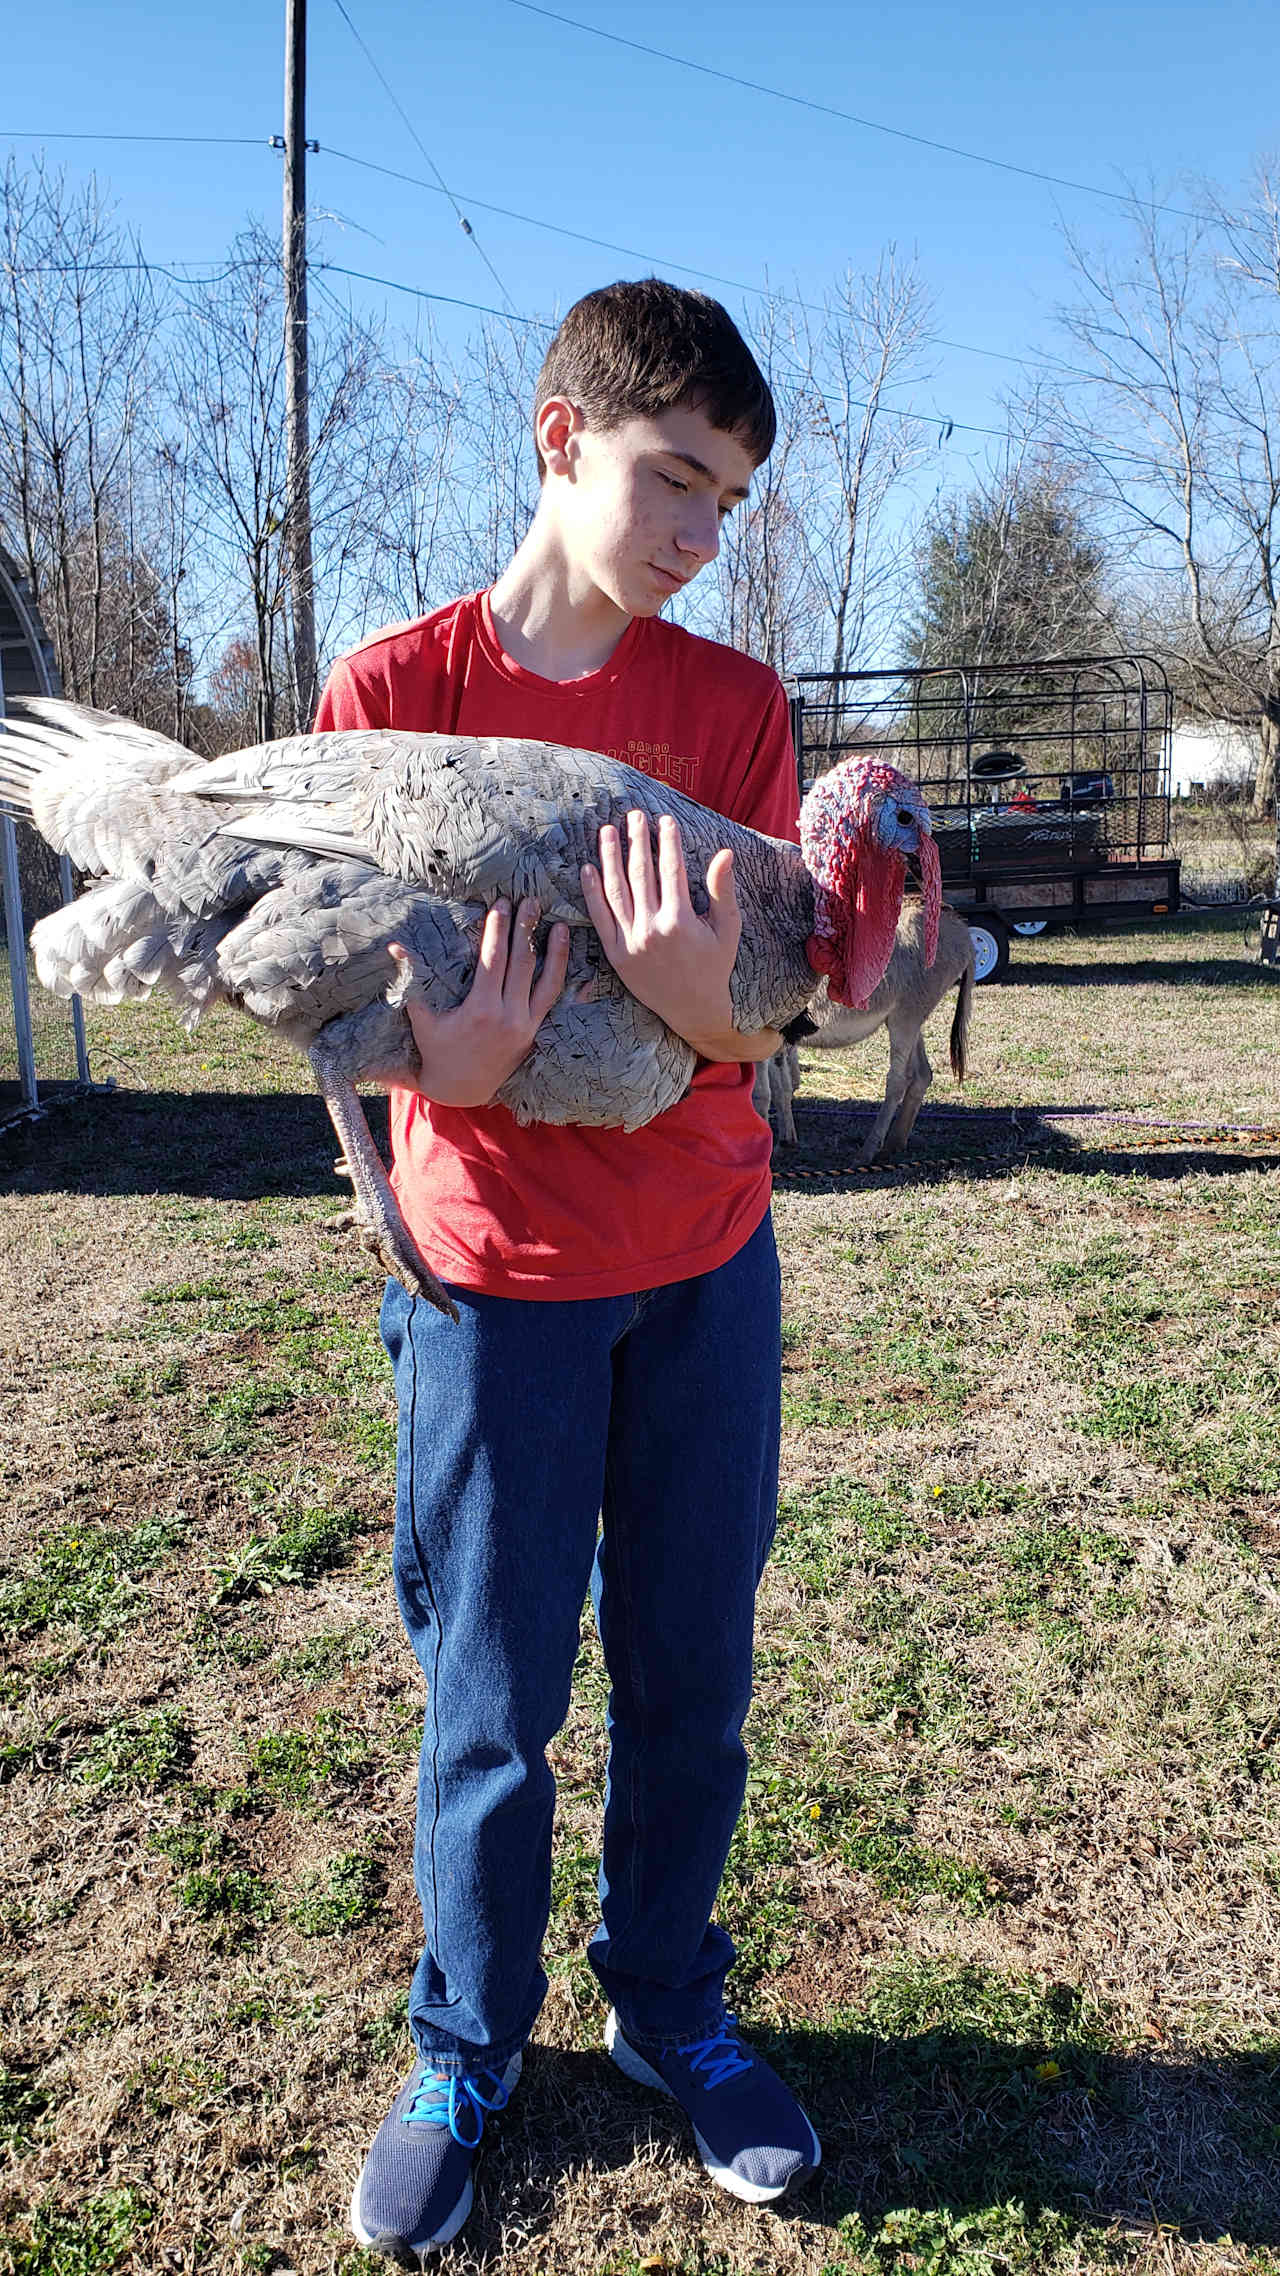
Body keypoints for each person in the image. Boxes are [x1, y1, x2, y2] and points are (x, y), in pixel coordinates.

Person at [315, 278, 821, 2260]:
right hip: (487, 1274)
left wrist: (718, 1014)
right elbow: (328, 998)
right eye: (673, 477)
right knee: (496, 1690)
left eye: (729, 500)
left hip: (702, 1256)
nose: (701, 531)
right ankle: (465, 2044)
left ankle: (665, 2001)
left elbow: (789, 992)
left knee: (691, 1668)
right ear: (557, 438)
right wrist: (423, 1065)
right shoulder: (390, 694)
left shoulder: (736, 710)